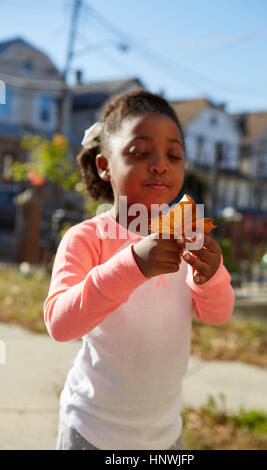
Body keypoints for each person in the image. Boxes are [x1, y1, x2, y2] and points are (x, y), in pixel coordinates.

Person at [43, 89, 235, 451]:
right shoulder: (88, 238)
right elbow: (59, 324)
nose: (161, 164)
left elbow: (218, 314)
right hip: (92, 428)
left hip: (164, 432)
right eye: (140, 153)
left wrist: (211, 277)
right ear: (105, 166)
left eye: (174, 155)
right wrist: (132, 265)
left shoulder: (186, 233)